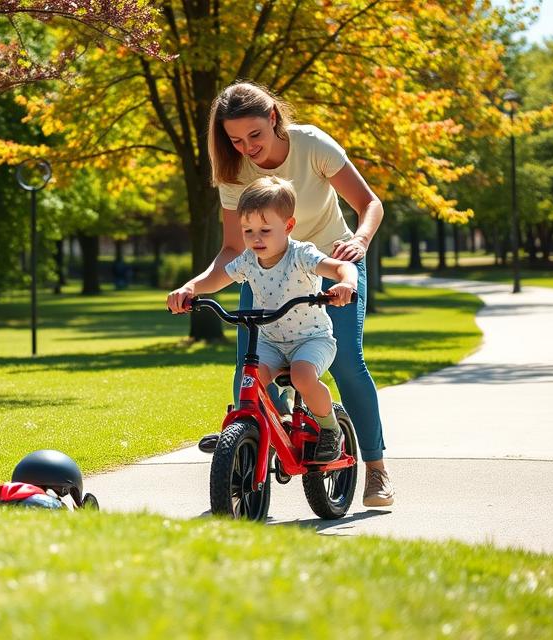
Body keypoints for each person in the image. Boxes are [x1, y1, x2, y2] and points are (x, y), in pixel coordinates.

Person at [166, 81, 394, 507]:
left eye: (255, 135)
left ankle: (376, 471)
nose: (247, 147)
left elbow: (369, 203)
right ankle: (259, 439)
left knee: (345, 362)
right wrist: (191, 286)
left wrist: (359, 243)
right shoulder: (234, 171)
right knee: (248, 368)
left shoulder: (311, 145)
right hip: (265, 270)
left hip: (329, 263)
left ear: (273, 117)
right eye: (235, 140)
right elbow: (234, 250)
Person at [170, 176, 357, 462]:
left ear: (289, 226)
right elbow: (217, 276)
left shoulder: (301, 254)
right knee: (251, 379)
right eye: (248, 230)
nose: (256, 238)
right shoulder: (248, 260)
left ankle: (331, 429)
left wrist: (346, 284)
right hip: (271, 340)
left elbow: (342, 267)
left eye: (265, 230)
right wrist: (190, 288)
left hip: (311, 339)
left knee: (302, 376)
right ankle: (250, 428)